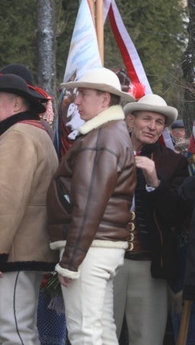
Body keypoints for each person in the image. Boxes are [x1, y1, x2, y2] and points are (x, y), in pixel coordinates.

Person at [46, 67, 137, 344]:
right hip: (99, 247)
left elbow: (88, 207)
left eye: (83, 94)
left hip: (89, 250)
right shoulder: (112, 133)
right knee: (101, 329)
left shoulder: (100, 138)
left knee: (85, 332)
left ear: (105, 100)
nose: (76, 101)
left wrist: (70, 262)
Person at [0, 73, 58, 344]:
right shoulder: (27, 133)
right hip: (18, 248)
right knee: (12, 329)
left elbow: (6, 198)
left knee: (14, 332)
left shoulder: (18, 136)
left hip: (14, 251)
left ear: (17, 104)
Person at [112, 94, 190, 344]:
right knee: (99, 335)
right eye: (146, 118)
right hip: (107, 260)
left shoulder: (173, 161)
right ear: (130, 120)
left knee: (147, 338)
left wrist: (155, 182)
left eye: (159, 122)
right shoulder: (106, 150)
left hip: (150, 264)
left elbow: (177, 216)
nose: (152, 126)